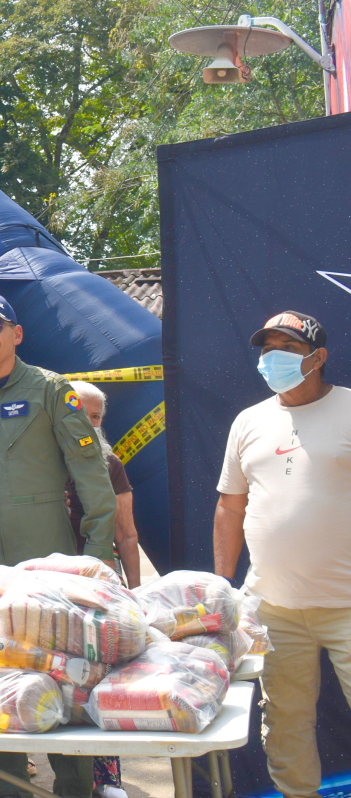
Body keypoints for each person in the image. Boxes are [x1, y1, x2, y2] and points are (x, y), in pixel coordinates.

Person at [0, 294, 114, 798]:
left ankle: (77, 787)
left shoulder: (50, 390)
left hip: (49, 564)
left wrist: (97, 554)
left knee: (62, 677)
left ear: (17, 333)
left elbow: (91, 476)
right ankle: (7, 786)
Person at [214, 310, 351, 798]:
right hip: (273, 608)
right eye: (267, 350)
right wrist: (221, 591)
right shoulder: (249, 421)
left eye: (287, 350)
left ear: (318, 358)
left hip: (348, 607)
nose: (273, 360)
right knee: (286, 724)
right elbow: (230, 507)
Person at [65, 381, 142, 589]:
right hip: (51, 576)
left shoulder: (110, 464)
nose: (87, 423)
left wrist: (136, 593)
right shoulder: (38, 461)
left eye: (95, 417)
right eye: (79, 412)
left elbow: (126, 534)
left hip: (100, 577)